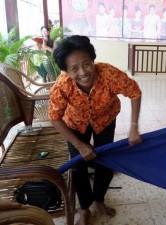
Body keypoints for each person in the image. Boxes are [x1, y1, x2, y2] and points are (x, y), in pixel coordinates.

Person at [48, 35, 143, 225]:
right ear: (66, 71)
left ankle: (99, 199)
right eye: (74, 69)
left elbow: (135, 92)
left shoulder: (108, 73)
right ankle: (85, 209)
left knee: (106, 160)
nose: (83, 72)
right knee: (78, 165)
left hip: (105, 119)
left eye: (87, 64)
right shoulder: (62, 86)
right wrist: (79, 145)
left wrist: (134, 128)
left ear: (93, 60)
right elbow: (55, 118)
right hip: (75, 124)